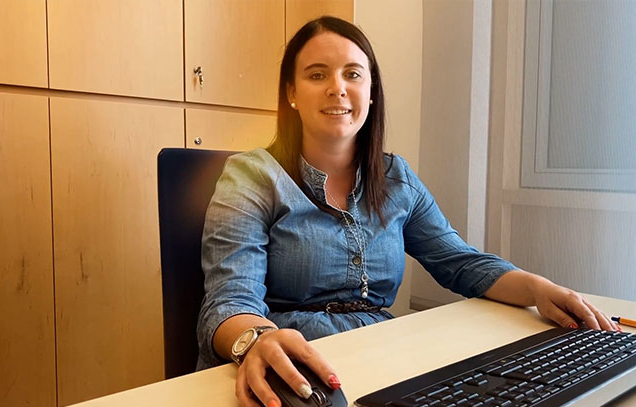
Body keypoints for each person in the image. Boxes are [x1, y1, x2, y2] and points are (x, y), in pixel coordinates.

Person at [196, 16, 619, 407]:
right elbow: (229, 300)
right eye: (317, 74)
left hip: (383, 356)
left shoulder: (396, 177)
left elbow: (459, 262)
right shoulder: (251, 176)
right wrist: (257, 340)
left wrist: (539, 289)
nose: (337, 88)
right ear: (291, 92)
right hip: (293, 365)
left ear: (371, 90)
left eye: (353, 74)